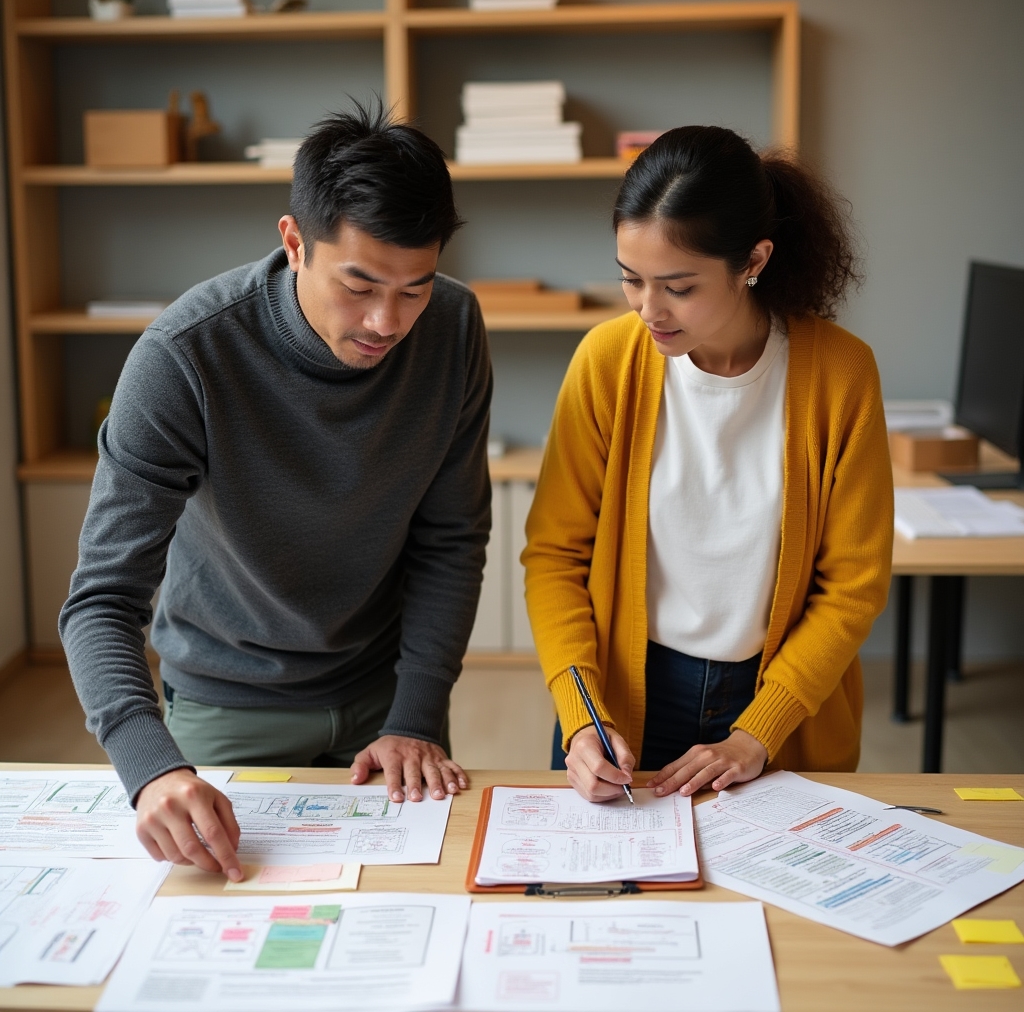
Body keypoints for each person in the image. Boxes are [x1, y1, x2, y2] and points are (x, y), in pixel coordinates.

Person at [60, 102, 492, 879]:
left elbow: (451, 541)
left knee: (414, 909)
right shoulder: (184, 356)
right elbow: (101, 597)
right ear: (294, 242)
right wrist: (150, 766)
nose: (387, 321)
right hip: (228, 698)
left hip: (388, 694)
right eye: (358, 285)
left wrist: (416, 715)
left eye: (414, 289)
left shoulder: (455, 327)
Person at [523, 125, 893, 803]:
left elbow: (854, 584)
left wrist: (758, 730)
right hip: (619, 702)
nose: (648, 308)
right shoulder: (607, 363)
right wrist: (581, 720)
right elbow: (553, 556)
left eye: (678, 286)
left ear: (753, 259)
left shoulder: (841, 374)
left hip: (778, 705)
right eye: (630, 280)